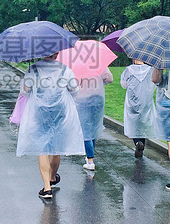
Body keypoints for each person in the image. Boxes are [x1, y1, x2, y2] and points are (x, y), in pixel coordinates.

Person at [16, 53, 85, 199]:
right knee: (56, 145)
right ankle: (53, 176)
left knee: (43, 147)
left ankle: (47, 188)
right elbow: (74, 90)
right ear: (57, 53)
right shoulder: (65, 70)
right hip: (60, 111)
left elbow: (25, 91)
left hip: (40, 111)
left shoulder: (33, 70)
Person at [75, 68, 113, 171]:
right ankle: (89, 155)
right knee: (94, 127)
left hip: (82, 99)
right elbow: (109, 79)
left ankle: (90, 160)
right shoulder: (98, 61)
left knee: (85, 129)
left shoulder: (76, 63)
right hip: (98, 98)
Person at [120, 59, 156, 158]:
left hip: (132, 99)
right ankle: (142, 144)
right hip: (145, 99)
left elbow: (123, 84)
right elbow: (155, 82)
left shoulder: (128, 70)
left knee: (133, 122)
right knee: (143, 122)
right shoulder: (150, 70)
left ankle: (137, 142)